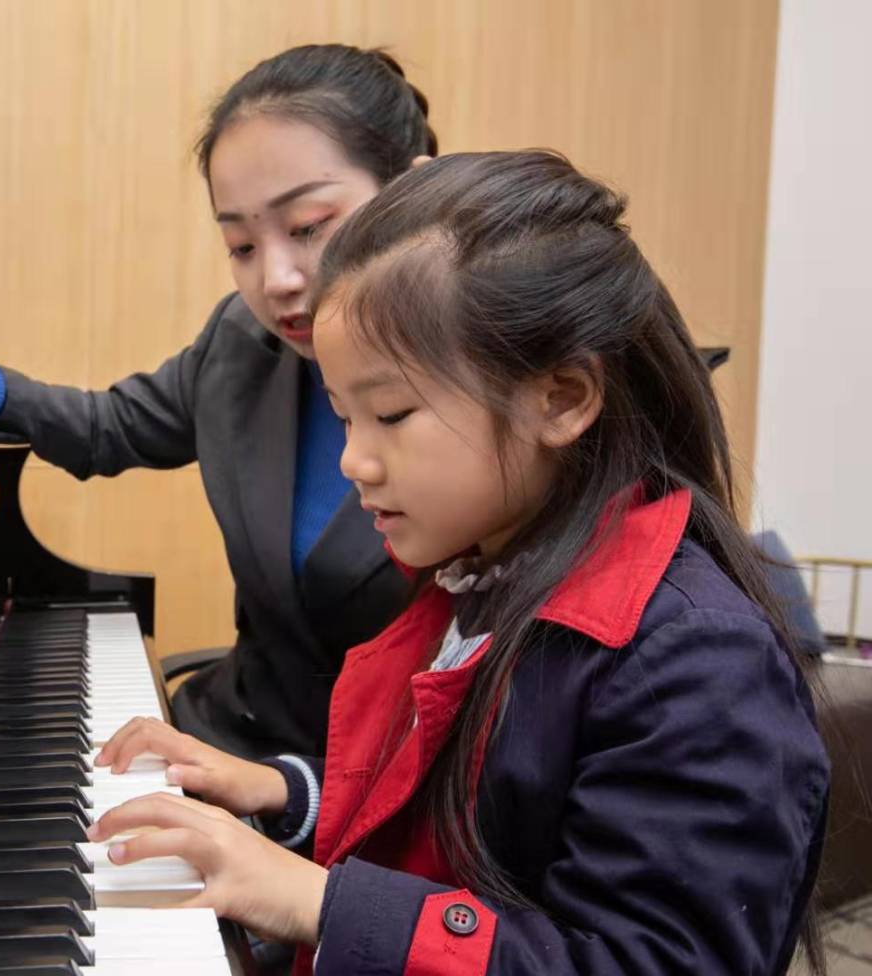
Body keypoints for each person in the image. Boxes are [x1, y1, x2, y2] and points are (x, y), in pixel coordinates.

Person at [89, 151, 829, 975]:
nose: (354, 463)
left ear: (561, 398)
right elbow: (475, 822)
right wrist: (287, 793)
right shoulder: (481, 573)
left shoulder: (696, 662)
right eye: (344, 418)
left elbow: (645, 960)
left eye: (392, 415)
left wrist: (317, 902)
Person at [0, 44, 436, 758]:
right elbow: (111, 428)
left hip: (388, 790)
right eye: (240, 245)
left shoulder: (492, 391)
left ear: (419, 194)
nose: (277, 280)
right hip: (234, 741)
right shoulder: (241, 342)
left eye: (308, 227)